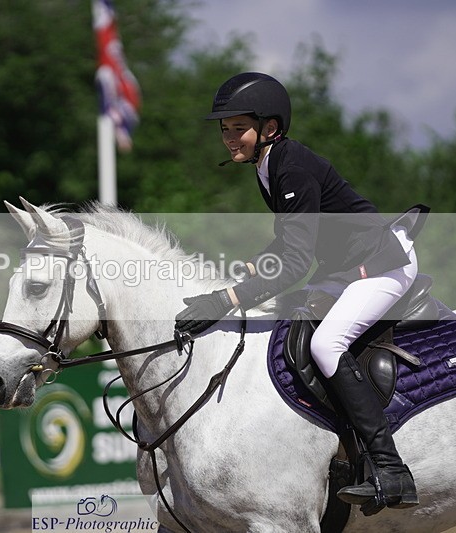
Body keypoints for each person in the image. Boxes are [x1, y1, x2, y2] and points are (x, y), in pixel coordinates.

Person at [174, 72, 421, 514]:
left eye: (238, 128)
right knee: (290, 321)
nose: (229, 139)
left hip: (382, 266)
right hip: (344, 269)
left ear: (269, 128)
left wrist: (228, 301)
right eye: (224, 130)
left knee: (327, 344)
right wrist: (244, 274)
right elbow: (287, 244)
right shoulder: (268, 165)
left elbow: (292, 264)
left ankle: (390, 468)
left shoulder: (291, 167)